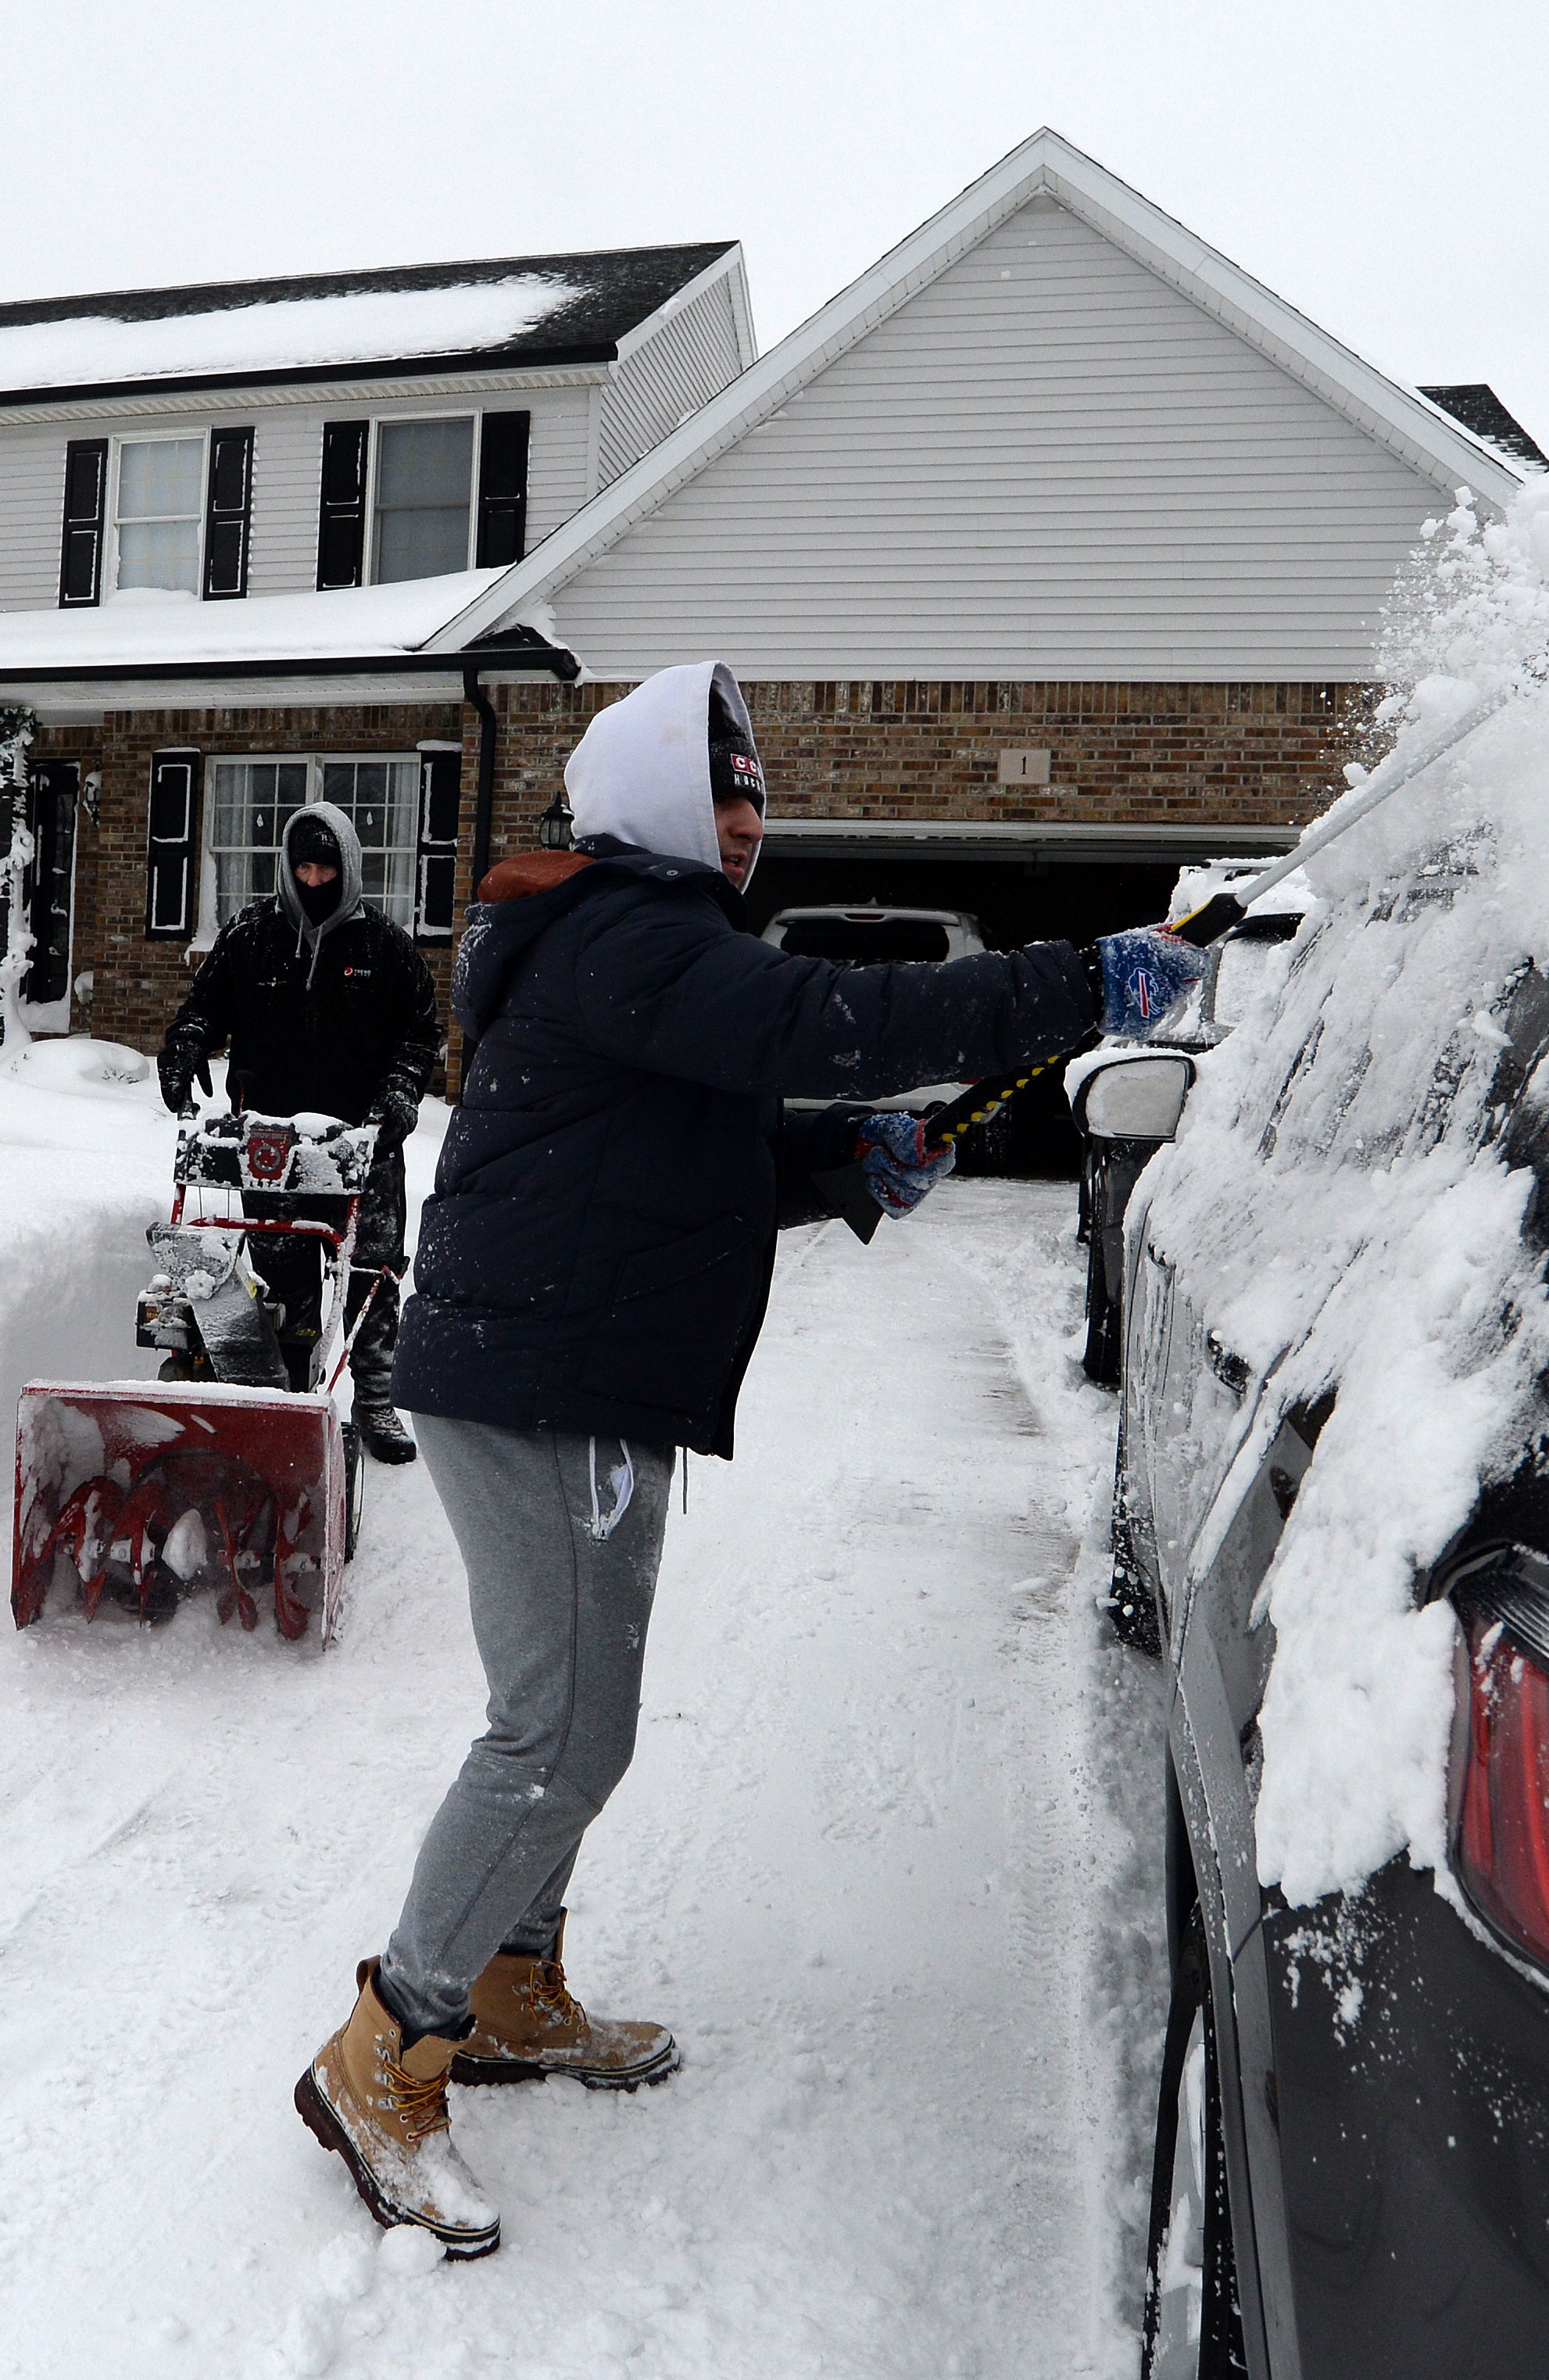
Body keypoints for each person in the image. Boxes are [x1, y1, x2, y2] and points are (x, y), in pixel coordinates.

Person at [289, 660, 1212, 2257]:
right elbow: (835, 1019)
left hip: (576, 1372)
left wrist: (841, 1158)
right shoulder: (626, 931)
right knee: (558, 1734)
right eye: (717, 791)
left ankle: (508, 1985)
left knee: (572, 1720)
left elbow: (694, 1143)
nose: (743, 823)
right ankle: (385, 2048)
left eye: (757, 797)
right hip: (542, 1383)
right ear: (648, 796)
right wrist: (1085, 982)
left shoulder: (624, 942)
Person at [156, 800, 442, 1464]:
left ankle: (375, 1398)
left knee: (371, 1271)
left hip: (361, 1142)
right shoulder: (248, 935)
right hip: (271, 1142)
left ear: (349, 867)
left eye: (327, 868)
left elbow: (421, 1030)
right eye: (304, 867)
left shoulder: (385, 946)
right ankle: (291, 1400)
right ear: (287, 866)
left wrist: (399, 1091)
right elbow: (203, 1008)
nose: (315, 881)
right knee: (283, 1272)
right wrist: (186, 1046)